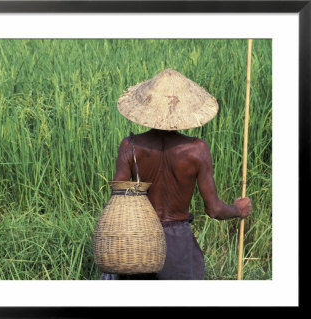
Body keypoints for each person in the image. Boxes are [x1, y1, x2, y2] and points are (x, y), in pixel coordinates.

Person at [102, 69, 251, 280]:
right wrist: (238, 209)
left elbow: (117, 203)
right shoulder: (197, 150)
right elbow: (214, 209)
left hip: (140, 241)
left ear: (147, 108)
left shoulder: (130, 146)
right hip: (178, 243)